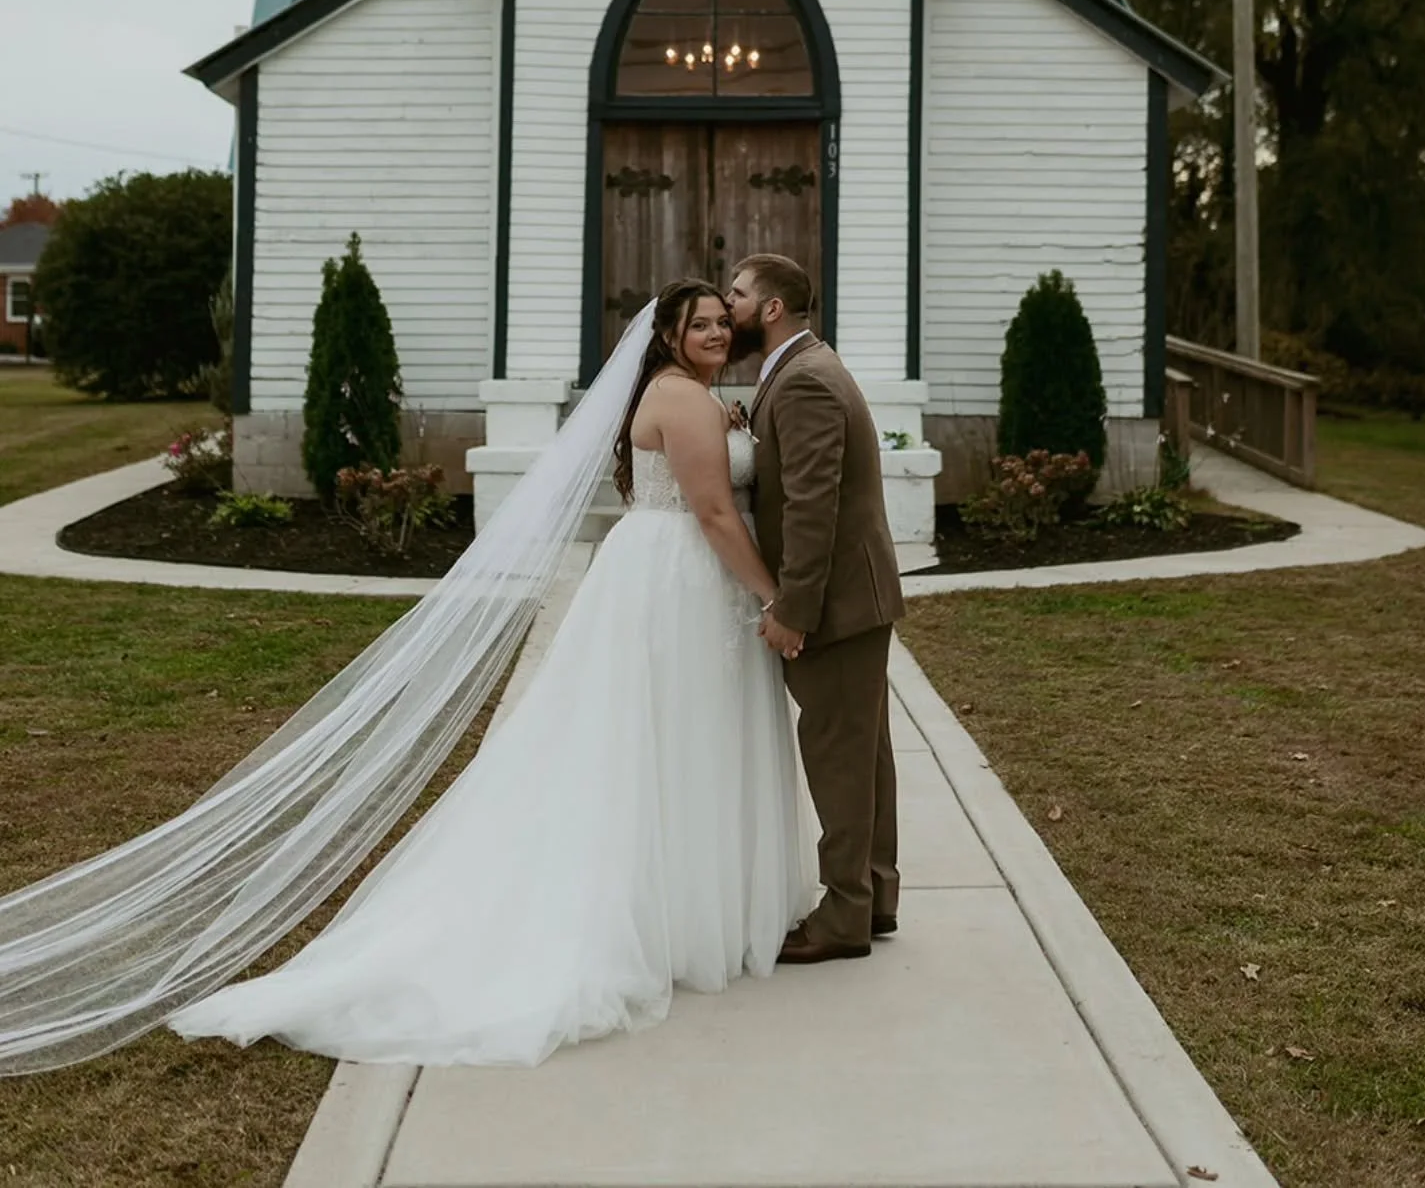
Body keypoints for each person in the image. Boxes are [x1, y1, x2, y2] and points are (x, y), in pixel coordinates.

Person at [160, 281, 814, 1066]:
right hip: (680, 577)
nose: (714, 331)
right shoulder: (681, 399)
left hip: (671, 574)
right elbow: (711, 513)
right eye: (697, 323)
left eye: (719, 320)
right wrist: (773, 593)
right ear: (666, 337)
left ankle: (689, 910)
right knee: (671, 739)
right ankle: (672, 919)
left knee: (678, 742)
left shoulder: (689, 394)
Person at [726, 255, 906, 964]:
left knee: (837, 755)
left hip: (834, 602)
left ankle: (843, 917)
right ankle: (872, 894)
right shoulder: (800, 370)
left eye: (737, 295)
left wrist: (791, 607)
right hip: (855, 595)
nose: (727, 304)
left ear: (771, 309)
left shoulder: (802, 382)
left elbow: (810, 507)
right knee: (861, 754)